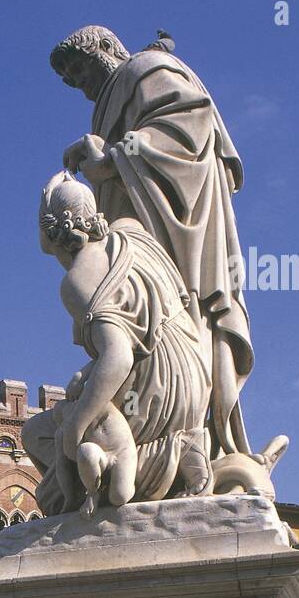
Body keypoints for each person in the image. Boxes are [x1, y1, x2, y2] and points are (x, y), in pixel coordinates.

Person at [52, 25, 255, 460]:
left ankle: (186, 440)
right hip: (143, 237)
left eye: (81, 69)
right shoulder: (110, 99)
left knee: (177, 327)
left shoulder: (146, 68)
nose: (80, 83)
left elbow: (190, 125)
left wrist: (111, 157)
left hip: (175, 237)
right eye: (71, 79)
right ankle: (156, 441)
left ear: (107, 48)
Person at [26, 170, 213, 514]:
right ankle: (180, 449)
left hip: (157, 391)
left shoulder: (78, 279)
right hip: (195, 375)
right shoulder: (133, 233)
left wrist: (77, 424)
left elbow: (118, 358)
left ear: (51, 234)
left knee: (41, 437)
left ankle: (168, 453)